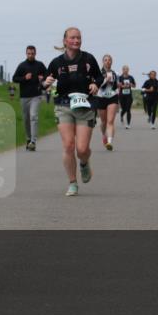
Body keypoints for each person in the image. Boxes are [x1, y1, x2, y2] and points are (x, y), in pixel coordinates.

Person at [43, 28, 102, 196]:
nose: (76, 40)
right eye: (73, 38)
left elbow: (99, 76)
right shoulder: (56, 63)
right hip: (63, 106)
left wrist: (95, 84)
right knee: (68, 145)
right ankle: (72, 183)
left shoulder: (88, 59)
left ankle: (84, 163)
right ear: (65, 41)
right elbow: (45, 83)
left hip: (85, 105)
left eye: (79, 38)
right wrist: (46, 83)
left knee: (82, 149)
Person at [12, 45, 49, 151]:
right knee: (26, 119)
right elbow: (14, 78)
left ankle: (33, 141)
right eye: (29, 53)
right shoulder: (22, 66)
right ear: (26, 53)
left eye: (32, 53)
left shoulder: (40, 65)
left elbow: (47, 75)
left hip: (36, 95)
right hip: (24, 97)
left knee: (33, 116)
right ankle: (28, 139)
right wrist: (24, 78)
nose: (30, 55)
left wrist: (43, 78)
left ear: (35, 53)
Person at [96, 54, 119, 151]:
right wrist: (105, 80)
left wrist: (117, 85)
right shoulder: (98, 73)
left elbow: (117, 85)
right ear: (103, 62)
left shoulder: (115, 73)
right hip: (101, 97)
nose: (108, 61)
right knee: (104, 122)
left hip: (112, 97)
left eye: (109, 60)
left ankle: (109, 142)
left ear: (111, 62)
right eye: (105, 60)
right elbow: (97, 85)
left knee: (110, 121)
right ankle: (104, 135)